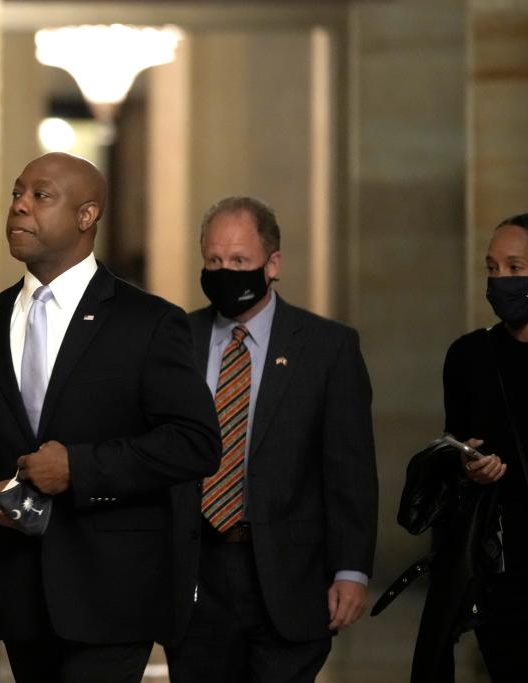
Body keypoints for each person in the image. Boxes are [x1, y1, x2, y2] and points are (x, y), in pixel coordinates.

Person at [0, 152, 221, 683]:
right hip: (19, 594)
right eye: (15, 194)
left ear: (87, 216)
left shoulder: (148, 323)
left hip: (116, 593)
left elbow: (195, 443)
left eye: (40, 195)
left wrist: (79, 467)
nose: (19, 208)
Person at [165, 196, 378, 683]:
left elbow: (349, 468)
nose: (225, 272)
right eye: (214, 261)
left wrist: (351, 570)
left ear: (273, 263)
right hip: (197, 575)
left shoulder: (328, 347)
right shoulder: (175, 338)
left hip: (290, 575)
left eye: (240, 261)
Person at [427, 212, 528, 681]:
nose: (500, 280)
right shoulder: (470, 356)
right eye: (492, 268)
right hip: (505, 577)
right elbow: (455, 446)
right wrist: (467, 463)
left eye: (515, 268)